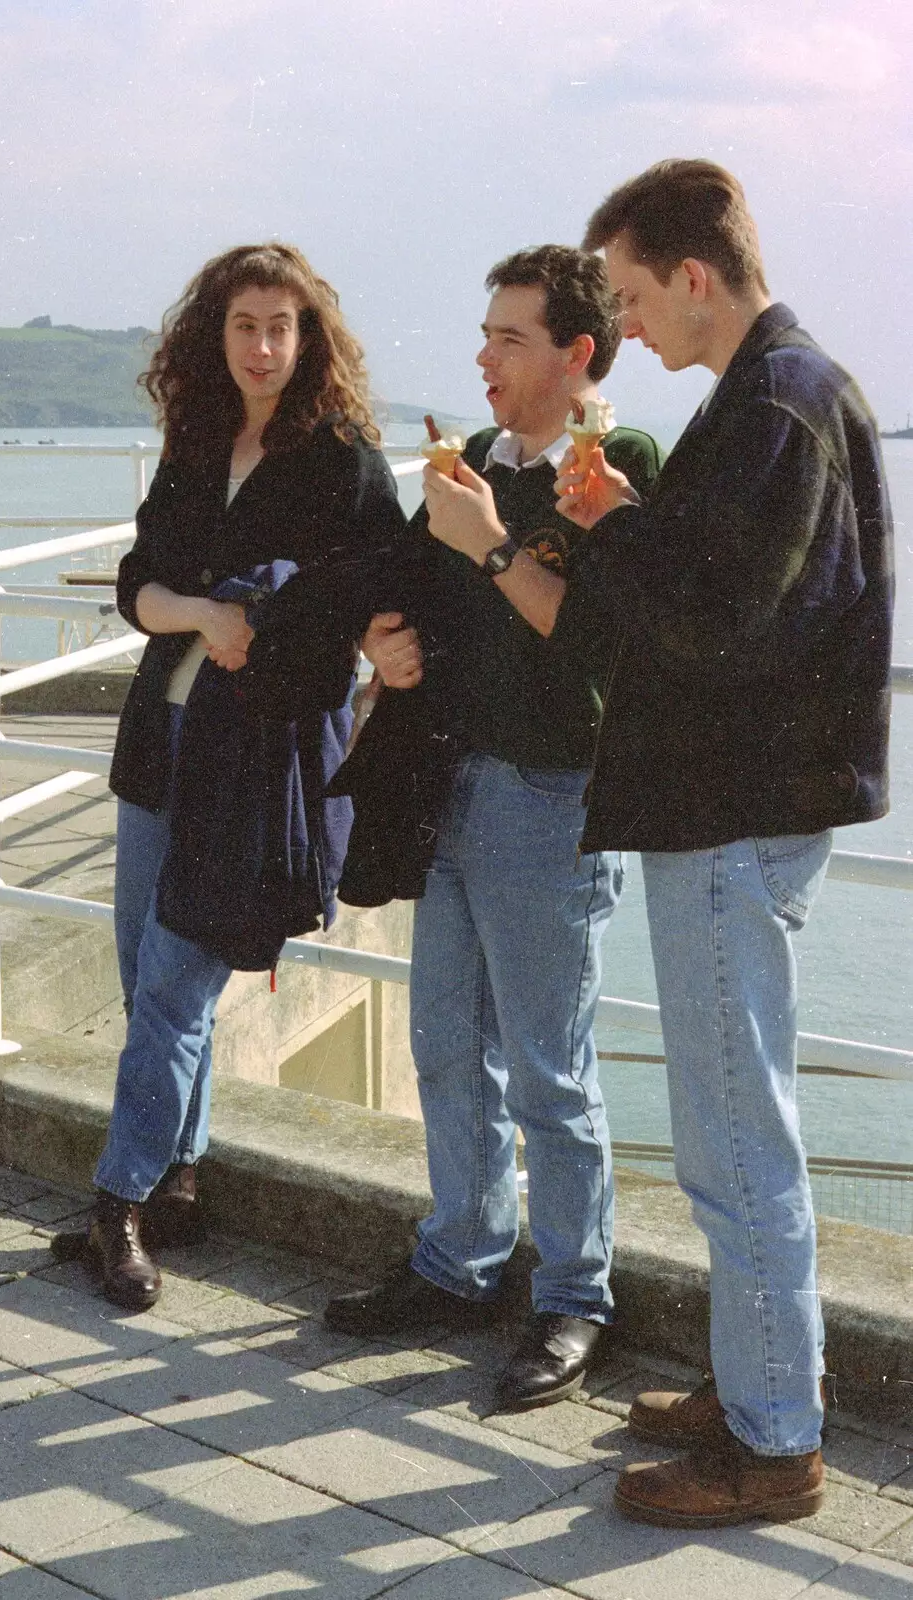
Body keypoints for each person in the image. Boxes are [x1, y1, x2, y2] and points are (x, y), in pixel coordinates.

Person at [546, 161, 893, 1526]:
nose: (624, 326)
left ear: (693, 277)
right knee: (734, 1130)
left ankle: (769, 1441)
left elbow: (711, 625)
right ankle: (758, 1381)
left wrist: (606, 524)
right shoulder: (786, 395)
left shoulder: (773, 404)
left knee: (733, 1138)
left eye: (630, 297)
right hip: (745, 811)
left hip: (727, 815)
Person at [323, 247, 661, 1412]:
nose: (484, 356)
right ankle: (460, 1260)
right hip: (451, 784)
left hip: (551, 799)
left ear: (577, 356)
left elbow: (599, 645)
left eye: (509, 339)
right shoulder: (466, 466)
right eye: (486, 335)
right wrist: (382, 639)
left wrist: (488, 543)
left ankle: (575, 1297)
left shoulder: (616, 466)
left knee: (552, 1072)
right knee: (445, 1042)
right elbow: (413, 600)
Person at [61, 243, 404, 1309]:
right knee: (144, 976)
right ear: (217, 333)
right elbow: (137, 584)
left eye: (281, 327)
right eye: (245, 324)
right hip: (158, 743)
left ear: (309, 340)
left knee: (176, 982)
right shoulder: (198, 440)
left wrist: (363, 653)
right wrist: (203, 611)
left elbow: (387, 580)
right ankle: (181, 1177)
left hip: (251, 757)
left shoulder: (340, 457)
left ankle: (115, 1203)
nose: (263, 346)